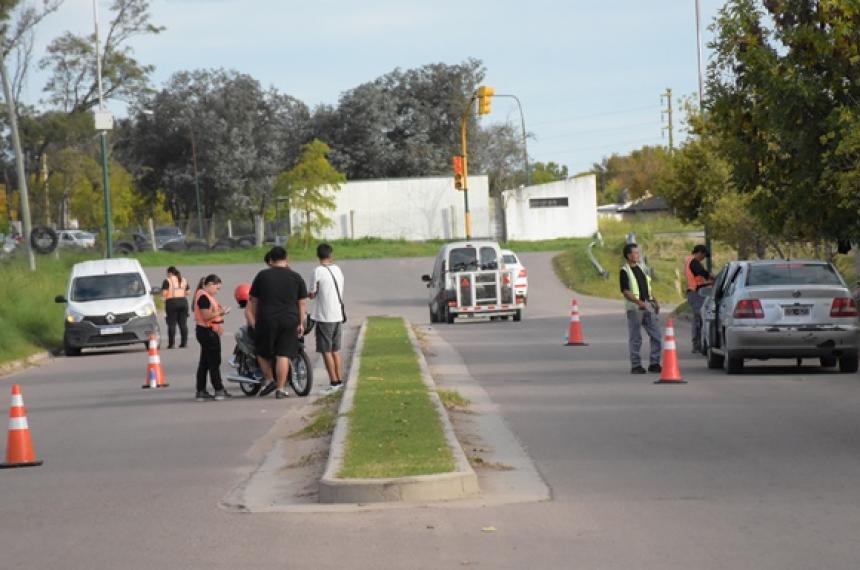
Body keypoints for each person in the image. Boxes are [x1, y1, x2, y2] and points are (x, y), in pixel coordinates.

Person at [248, 246, 308, 400]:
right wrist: (301, 323)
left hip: (267, 319)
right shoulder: (296, 277)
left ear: (271, 260)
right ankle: (280, 389)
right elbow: (302, 304)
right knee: (283, 354)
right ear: (286, 259)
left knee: (261, 351)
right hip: (290, 319)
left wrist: (255, 318)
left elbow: (254, 300)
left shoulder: (262, 276)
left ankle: (269, 379)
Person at [308, 243, 346, 393]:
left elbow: (312, 293)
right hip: (338, 315)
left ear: (318, 256)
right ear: (331, 255)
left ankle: (334, 382)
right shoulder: (337, 269)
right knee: (335, 350)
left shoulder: (317, 271)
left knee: (326, 351)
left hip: (325, 316)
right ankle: (339, 380)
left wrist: (312, 293)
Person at [620, 243, 662, 374]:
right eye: (635, 253)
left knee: (657, 335)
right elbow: (626, 291)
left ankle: (654, 363)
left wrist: (654, 300)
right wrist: (639, 302)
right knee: (636, 338)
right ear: (628, 255)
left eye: (638, 253)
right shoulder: (624, 271)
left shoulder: (642, 268)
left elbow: (647, 287)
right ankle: (636, 365)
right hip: (635, 308)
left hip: (648, 305)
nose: (638, 255)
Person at [193, 274, 232, 401]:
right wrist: (221, 312)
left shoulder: (204, 295)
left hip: (205, 331)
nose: (217, 291)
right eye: (217, 288)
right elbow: (206, 315)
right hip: (207, 332)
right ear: (210, 284)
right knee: (214, 362)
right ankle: (218, 389)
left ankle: (201, 391)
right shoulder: (203, 297)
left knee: (204, 362)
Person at [684, 245, 715, 353]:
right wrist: (710, 276)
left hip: (697, 293)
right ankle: (697, 345)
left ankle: (699, 344)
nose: (704, 258)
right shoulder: (693, 262)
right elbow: (701, 272)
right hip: (696, 293)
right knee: (698, 319)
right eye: (704, 255)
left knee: (699, 319)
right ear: (700, 253)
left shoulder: (691, 261)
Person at [161, 266, 190, 349]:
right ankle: (184, 343)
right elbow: (188, 292)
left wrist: (161, 295)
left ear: (170, 273)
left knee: (172, 324)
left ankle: (171, 344)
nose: (167, 275)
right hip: (183, 302)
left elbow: (164, 293)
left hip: (172, 303)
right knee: (183, 324)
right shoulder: (183, 280)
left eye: (167, 273)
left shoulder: (167, 280)